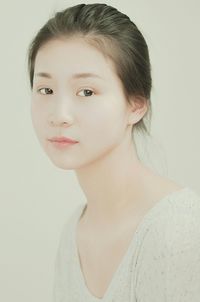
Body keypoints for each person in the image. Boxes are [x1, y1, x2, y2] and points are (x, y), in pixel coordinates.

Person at [27, 3, 200, 301]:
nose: (59, 114)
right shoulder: (74, 231)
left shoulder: (178, 230)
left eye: (87, 92)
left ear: (136, 104)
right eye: (46, 90)